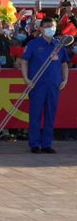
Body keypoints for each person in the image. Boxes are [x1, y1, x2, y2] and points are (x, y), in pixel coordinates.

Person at [21, 17, 70, 153]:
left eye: (52, 26)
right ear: (41, 29)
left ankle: (47, 144)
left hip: (53, 85)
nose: (50, 29)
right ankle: (35, 144)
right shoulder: (33, 44)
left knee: (50, 114)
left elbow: (64, 64)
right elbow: (24, 62)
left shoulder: (59, 45)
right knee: (35, 114)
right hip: (37, 85)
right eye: (47, 26)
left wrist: (65, 79)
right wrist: (26, 78)